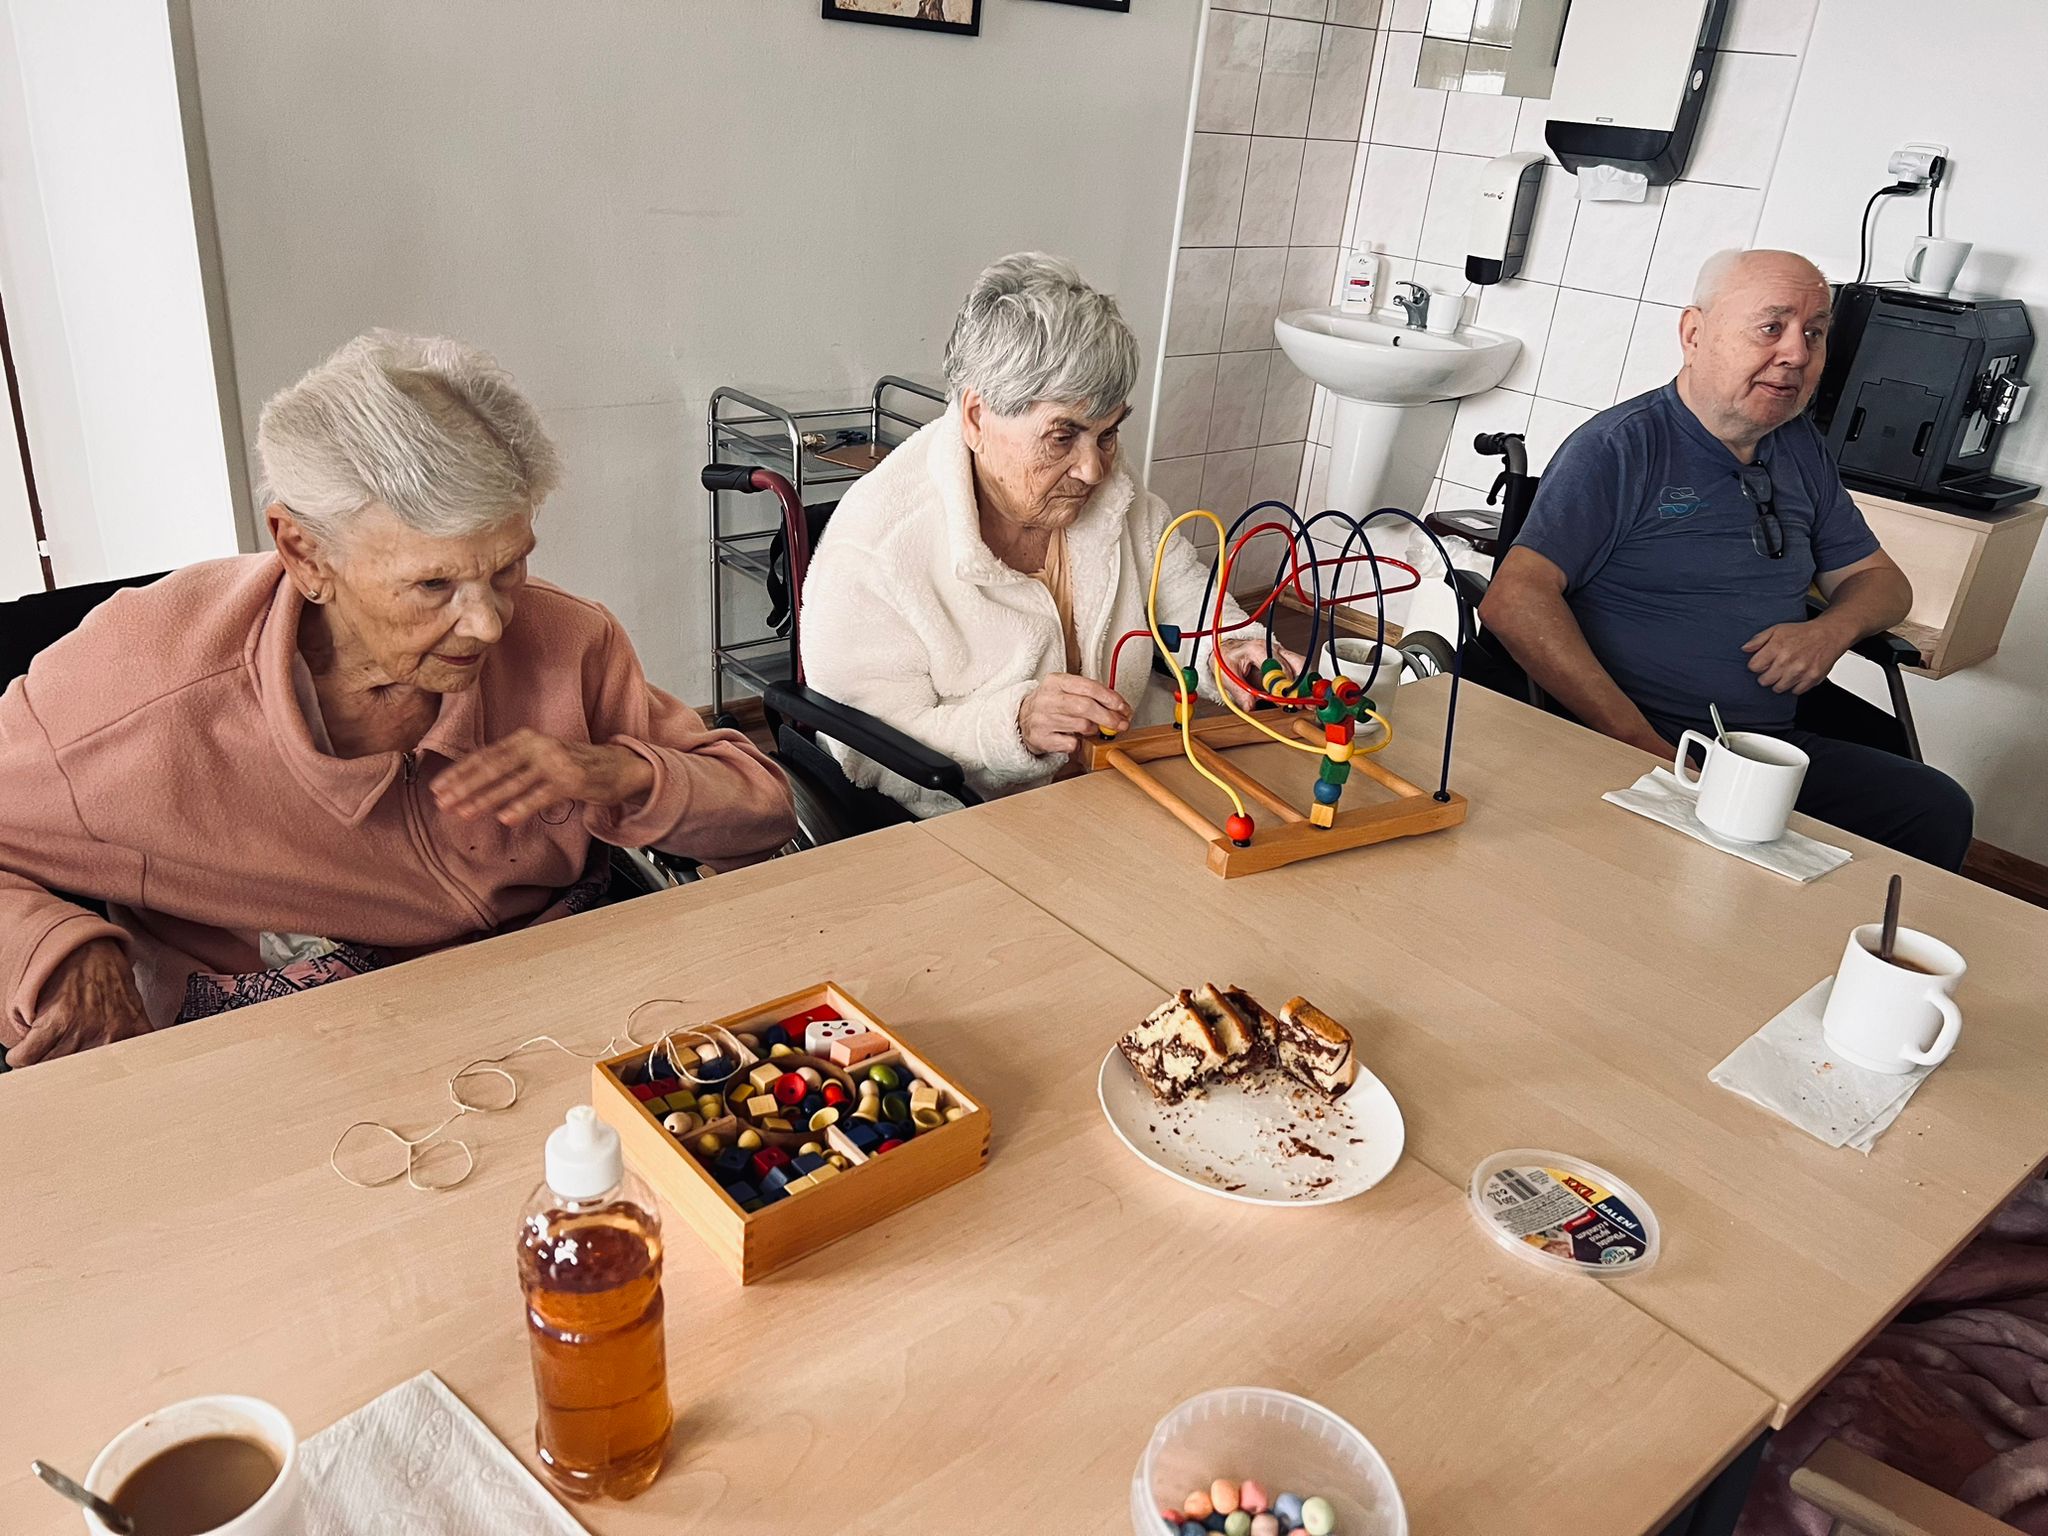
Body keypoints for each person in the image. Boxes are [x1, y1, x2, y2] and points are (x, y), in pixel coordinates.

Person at [0, 331, 796, 1065]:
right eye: (433, 585)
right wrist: (63, 953)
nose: (489, 623)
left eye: (507, 567)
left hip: (559, 1005)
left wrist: (618, 774)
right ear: (304, 552)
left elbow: (762, 815)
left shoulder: (566, 638)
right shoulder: (143, 684)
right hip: (292, 1055)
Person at [1479, 248, 1973, 869]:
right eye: (1771, 327)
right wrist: (1641, 748)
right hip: (1648, 740)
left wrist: (1831, 631)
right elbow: (1513, 600)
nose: (1796, 354)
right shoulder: (1620, 449)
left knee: (1934, 809)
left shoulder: (1798, 448)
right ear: (1694, 334)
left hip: (1762, 749)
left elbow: (1882, 583)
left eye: (1814, 333)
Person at [800, 252, 1300, 816]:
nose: (1093, 469)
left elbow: (1187, 595)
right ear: (976, 418)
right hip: (974, 822)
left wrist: (1233, 650)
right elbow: (869, 754)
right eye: (1062, 437)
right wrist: (1015, 726)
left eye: (1107, 434)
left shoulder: (1109, 488)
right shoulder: (876, 548)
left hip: (1122, 784)